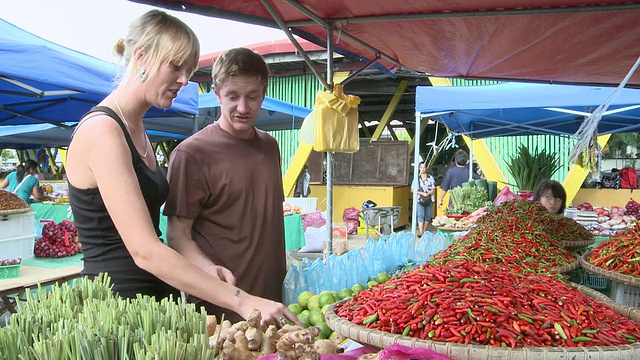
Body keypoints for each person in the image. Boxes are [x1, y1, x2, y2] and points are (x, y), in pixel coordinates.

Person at [65, 11, 297, 328]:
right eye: (175, 66)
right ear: (141, 56)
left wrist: (202, 266)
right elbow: (145, 250)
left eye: (188, 69)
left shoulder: (135, 128)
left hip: (155, 305)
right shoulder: (103, 131)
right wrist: (242, 300)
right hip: (117, 312)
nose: (184, 80)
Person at [164, 47, 289, 324]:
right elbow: (176, 234)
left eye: (252, 97)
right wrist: (208, 268)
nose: (243, 108)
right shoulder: (191, 154)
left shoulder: (270, 146)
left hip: (272, 302)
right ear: (217, 93)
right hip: (220, 312)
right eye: (233, 97)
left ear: (263, 94)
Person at [411, 162, 436, 237]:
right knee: (420, 215)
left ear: (426, 168)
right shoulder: (416, 178)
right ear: (419, 168)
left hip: (429, 199)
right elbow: (412, 189)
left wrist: (429, 193)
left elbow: (433, 188)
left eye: (424, 167)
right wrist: (422, 193)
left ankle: (424, 230)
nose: (423, 169)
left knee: (428, 216)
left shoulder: (430, 178)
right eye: (421, 167)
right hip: (420, 199)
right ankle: (421, 231)